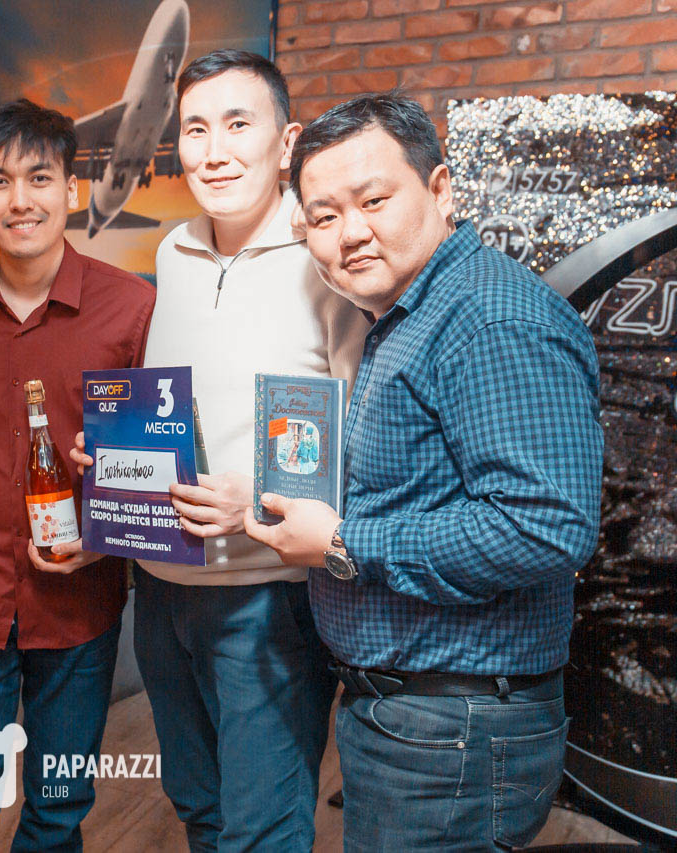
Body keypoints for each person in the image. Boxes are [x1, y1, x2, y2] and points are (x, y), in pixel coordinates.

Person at [247, 93, 603, 851]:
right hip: (415, 720)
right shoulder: (405, 317)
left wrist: (342, 541)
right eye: (323, 216)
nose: (350, 232)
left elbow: (544, 527)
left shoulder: (490, 318)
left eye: (374, 200)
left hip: (454, 728)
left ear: (440, 190)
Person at [70, 50, 366, 851]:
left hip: (266, 598)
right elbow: (186, 404)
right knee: (198, 807)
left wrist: (255, 498)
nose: (214, 150)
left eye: (239, 124)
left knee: (260, 828)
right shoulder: (173, 252)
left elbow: (367, 435)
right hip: (160, 591)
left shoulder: (328, 255)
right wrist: (117, 460)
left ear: (287, 142)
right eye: (196, 129)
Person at [0, 98, 155, 851]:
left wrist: (107, 534)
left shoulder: (131, 305)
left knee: (57, 812)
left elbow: (155, 458)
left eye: (39, 178)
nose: (19, 199)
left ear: (71, 191)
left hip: (80, 608)